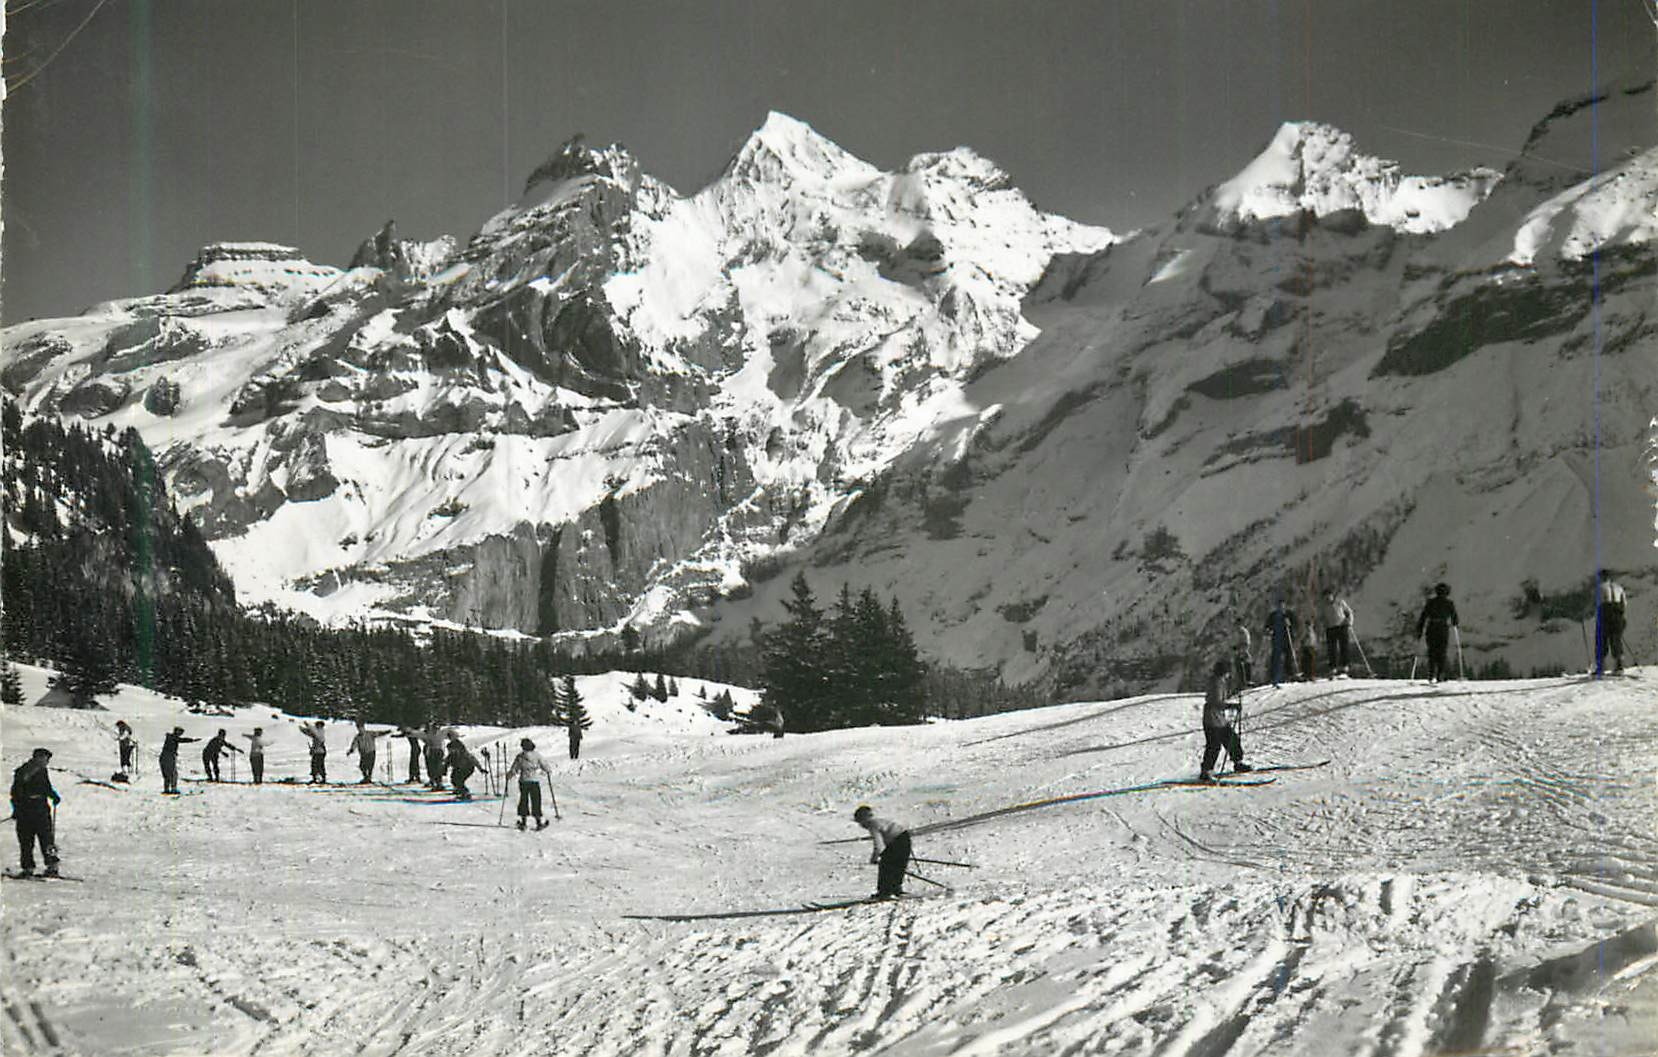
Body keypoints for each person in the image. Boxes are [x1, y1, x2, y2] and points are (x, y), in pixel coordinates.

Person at [10, 748, 61, 877]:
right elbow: (15, 793)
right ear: (37, 757)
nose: (46, 762)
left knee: (46, 838)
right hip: (27, 809)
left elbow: (46, 788)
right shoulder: (23, 771)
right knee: (27, 840)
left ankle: (51, 865)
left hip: (40, 809)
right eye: (45, 759)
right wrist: (16, 809)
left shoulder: (42, 771)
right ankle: (28, 867)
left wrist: (53, 795)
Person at [1200, 660, 1252, 782]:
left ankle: (1238, 762)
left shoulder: (1220, 681)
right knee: (1214, 745)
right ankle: (1206, 771)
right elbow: (1216, 703)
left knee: (1231, 738)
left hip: (1220, 719)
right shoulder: (1216, 683)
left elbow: (1221, 698)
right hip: (1212, 720)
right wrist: (1232, 706)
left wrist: (1236, 693)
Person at [853, 805, 911, 900]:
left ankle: (885, 891)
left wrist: (874, 858)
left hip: (899, 840)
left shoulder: (872, 824)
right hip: (903, 838)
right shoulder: (876, 821)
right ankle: (895, 888)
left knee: (886, 864)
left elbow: (878, 844)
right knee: (896, 864)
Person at [505, 738, 554, 830]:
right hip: (534, 781)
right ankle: (538, 822)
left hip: (523, 781)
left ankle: (523, 822)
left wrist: (509, 775)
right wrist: (548, 770)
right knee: (536, 800)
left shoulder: (520, 756)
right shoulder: (537, 755)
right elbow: (544, 765)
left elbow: (514, 768)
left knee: (524, 800)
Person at [1416, 582, 1460, 683]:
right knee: (1442, 652)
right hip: (1442, 628)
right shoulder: (1449, 603)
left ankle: (1431, 674)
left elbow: (1423, 617)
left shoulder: (1430, 602)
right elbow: (1455, 618)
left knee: (1432, 652)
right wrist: (1455, 623)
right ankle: (1440, 674)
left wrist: (1420, 629)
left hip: (1431, 628)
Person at [1595, 569, 1628, 676]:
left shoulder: (1600, 588)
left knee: (1601, 640)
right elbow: (1624, 604)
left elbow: (1595, 603)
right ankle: (1619, 666)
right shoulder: (1619, 588)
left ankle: (1601, 667)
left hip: (1605, 614)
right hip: (1618, 616)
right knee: (1616, 640)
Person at [344, 719, 393, 785]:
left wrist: (386, 732)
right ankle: (366, 777)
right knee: (362, 766)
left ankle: (368, 778)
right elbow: (354, 745)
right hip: (363, 754)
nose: (360, 730)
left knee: (370, 766)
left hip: (371, 752)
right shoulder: (357, 737)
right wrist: (350, 751)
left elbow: (378, 733)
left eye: (361, 728)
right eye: (359, 729)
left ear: (363, 728)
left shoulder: (370, 734)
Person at [1264, 598, 1298, 687]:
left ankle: (1289, 674)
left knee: (1288, 657)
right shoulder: (1273, 615)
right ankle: (1275, 677)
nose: (1280, 607)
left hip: (1286, 639)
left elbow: (1295, 625)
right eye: (1279, 605)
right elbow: (1267, 625)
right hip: (1276, 639)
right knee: (1276, 658)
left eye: (1282, 605)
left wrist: (1290, 625)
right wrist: (1269, 630)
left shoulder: (1288, 614)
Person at [1320, 589, 1355, 676]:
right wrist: (1323, 625)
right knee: (1332, 648)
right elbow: (1322, 618)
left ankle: (1345, 666)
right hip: (1330, 627)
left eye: (1329, 596)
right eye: (1325, 597)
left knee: (1344, 646)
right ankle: (1333, 667)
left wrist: (1349, 622)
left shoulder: (1340, 602)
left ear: (1332, 596)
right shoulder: (1323, 606)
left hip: (1342, 625)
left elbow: (1349, 612)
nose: (1327, 598)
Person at [159, 727, 198, 795]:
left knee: (167, 775)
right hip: (169, 757)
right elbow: (181, 740)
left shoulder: (170, 737)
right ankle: (173, 789)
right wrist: (192, 740)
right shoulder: (173, 737)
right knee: (173, 774)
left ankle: (167, 789)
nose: (181, 734)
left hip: (164, 757)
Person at [445, 731, 481, 800]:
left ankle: (465, 793)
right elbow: (448, 760)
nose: (451, 751)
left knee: (458, 780)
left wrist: (480, 768)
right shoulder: (452, 754)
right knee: (454, 778)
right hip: (459, 767)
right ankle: (460, 790)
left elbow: (472, 759)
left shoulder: (463, 753)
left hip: (467, 767)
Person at [422, 723, 447, 791]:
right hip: (431, 750)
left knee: (437, 767)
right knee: (431, 767)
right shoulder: (428, 734)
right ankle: (433, 781)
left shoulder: (440, 734)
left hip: (437, 750)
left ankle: (438, 783)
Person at [1232, 624, 1254, 689]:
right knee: (1242, 664)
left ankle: (1244, 681)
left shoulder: (1242, 632)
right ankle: (1244, 681)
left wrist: (1239, 648)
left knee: (1242, 664)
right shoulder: (1240, 632)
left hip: (1242, 649)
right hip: (1241, 649)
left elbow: (1245, 642)